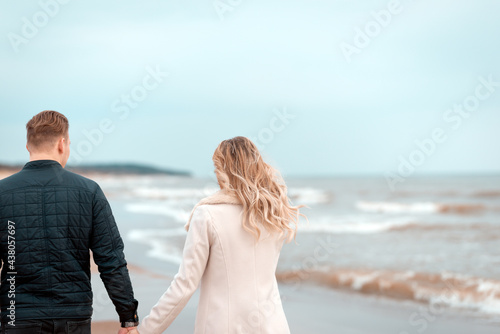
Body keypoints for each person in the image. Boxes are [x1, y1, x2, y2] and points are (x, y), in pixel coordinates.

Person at [135, 136, 303, 334]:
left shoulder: (206, 214)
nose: (215, 173)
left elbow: (185, 284)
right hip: (274, 326)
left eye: (217, 167)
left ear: (224, 170)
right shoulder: (272, 214)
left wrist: (145, 330)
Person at [0, 110, 139, 334]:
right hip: (73, 317)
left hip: (18, 316)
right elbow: (111, 261)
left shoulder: (2, 193)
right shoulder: (89, 191)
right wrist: (128, 318)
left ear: (28, 146)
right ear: (62, 144)